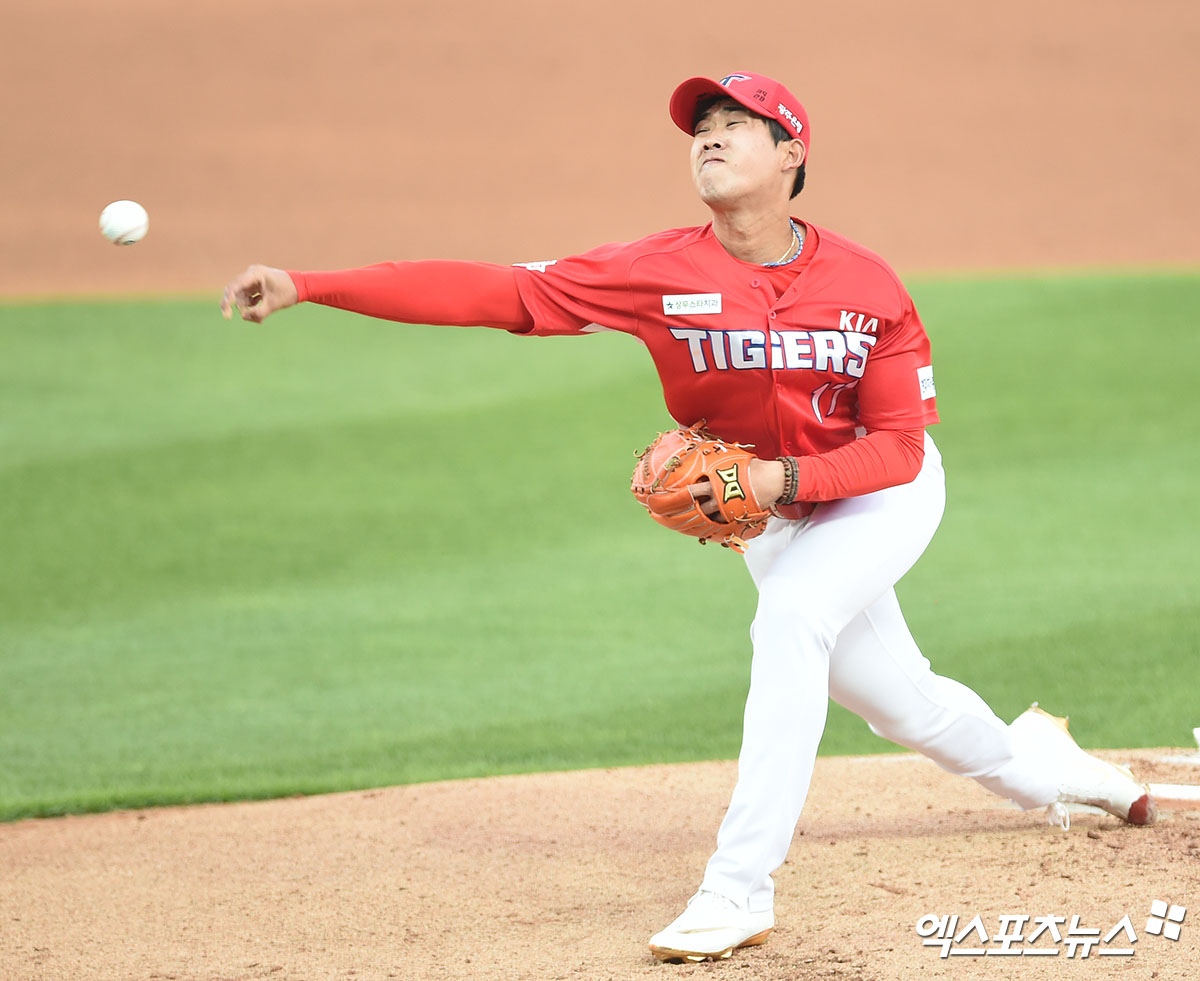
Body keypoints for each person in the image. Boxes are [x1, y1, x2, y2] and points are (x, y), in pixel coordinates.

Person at [221, 71, 1156, 964]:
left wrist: (781, 478)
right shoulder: (654, 271)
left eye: (737, 125)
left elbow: (900, 448)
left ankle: (739, 887)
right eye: (701, 128)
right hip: (777, 515)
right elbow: (495, 291)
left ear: (791, 154)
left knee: (792, 617)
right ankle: (1045, 767)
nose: (710, 137)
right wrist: (311, 282)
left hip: (879, 494)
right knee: (899, 700)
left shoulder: (869, 285)